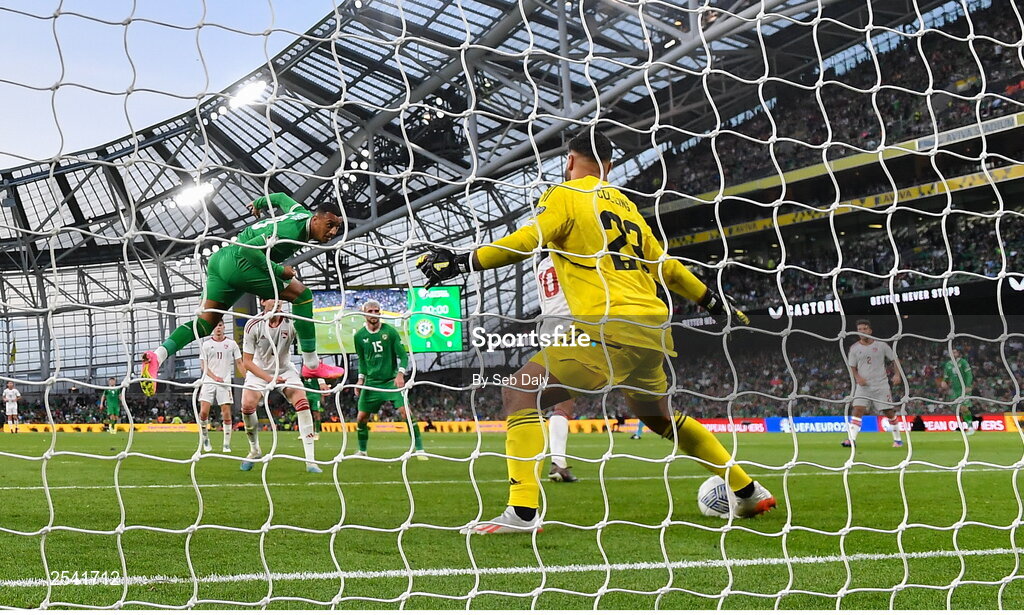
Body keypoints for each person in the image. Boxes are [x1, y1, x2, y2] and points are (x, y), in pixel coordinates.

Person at [418, 129, 774, 533]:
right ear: (609, 165)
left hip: (607, 327)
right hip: (653, 330)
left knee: (519, 391)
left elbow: (527, 239)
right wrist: (714, 303)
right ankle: (747, 491)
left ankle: (522, 512)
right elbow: (667, 267)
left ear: (569, 161)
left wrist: (466, 261)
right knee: (660, 420)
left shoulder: (565, 195)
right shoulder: (626, 207)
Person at [140, 193, 345, 396]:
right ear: (316, 219)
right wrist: (280, 271)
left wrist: (258, 203)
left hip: (220, 260)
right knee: (304, 296)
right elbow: (249, 251)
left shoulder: (299, 213)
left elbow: (282, 197)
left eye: (337, 227)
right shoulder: (291, 231)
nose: (333, 232)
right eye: (330, 225)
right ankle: (311, 364)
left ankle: (158, 355)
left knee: (204, 325)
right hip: (242, 262)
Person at [239, 299, 327, 473]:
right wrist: (270, 378)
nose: (278, 301)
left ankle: (310, 461)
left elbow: (310, 349)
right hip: (259, 371)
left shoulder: (292, 322)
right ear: (263, 302)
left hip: (285, 369)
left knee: (302, 402)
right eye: (273, 297)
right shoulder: (253, 325)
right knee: (247, 406)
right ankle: (255, 450)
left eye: (281, 298)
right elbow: (247, 362)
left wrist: (322, 380)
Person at [353, 300, 426, 459]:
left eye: (376, 311)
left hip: (390, 381)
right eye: (370, 311)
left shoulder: (390, 332)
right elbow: (362, 361)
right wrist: (360, 380)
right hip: (371, 383)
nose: (373, 314)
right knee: (361, 418)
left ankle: (420, 450)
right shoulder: (359, 336)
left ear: (380, 312)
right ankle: (362, 451)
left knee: (405, 413)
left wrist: (400, 374)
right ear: (364, 313)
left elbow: (403, 356)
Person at [536, 252, 578, 483]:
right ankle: (558, 463)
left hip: (547, 327)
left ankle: (555, 461)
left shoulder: (542, 264)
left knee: (555, 395)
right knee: (565, 401)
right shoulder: (571, 255)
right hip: (571, 326)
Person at [841, 319, 905, 449]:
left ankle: (898, 440)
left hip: (881, 385)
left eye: (865, 329)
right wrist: (858, 377)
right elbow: (851, 366)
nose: (862, 331)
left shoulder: (881, 345)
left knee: (888, 411)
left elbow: (895, 359)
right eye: (859, 329)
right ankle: (851, 439)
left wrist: (897, 374)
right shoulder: (854, 348)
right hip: (863, 386)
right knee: (858, 409)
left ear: (870, 330)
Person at [198, 321, 243, 452]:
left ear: (224, 327)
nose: (218, 328)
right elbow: (203, 366)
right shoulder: (206, 345)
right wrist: (214, 377)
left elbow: (239, 362)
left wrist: (248, 377)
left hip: (225, 382)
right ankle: (205, 439)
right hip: (209, 381)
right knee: (203, 412)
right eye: (216, 325)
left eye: (220, 325)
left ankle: (226, 444)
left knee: (226, 413)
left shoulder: (231, 344)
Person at [940, 348, 975, 436]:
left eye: (955, 352)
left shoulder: (963, 362)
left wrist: (968, 385)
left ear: (958, 353)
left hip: (964, 388)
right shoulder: (948, 364)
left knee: (964, 407)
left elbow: (969, 374)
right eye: (951, 352)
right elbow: (946, 377)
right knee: (958, 409)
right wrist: (944, 381)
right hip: (955, 390)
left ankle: (971, 427)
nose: (953, 354)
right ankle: (962, 426)